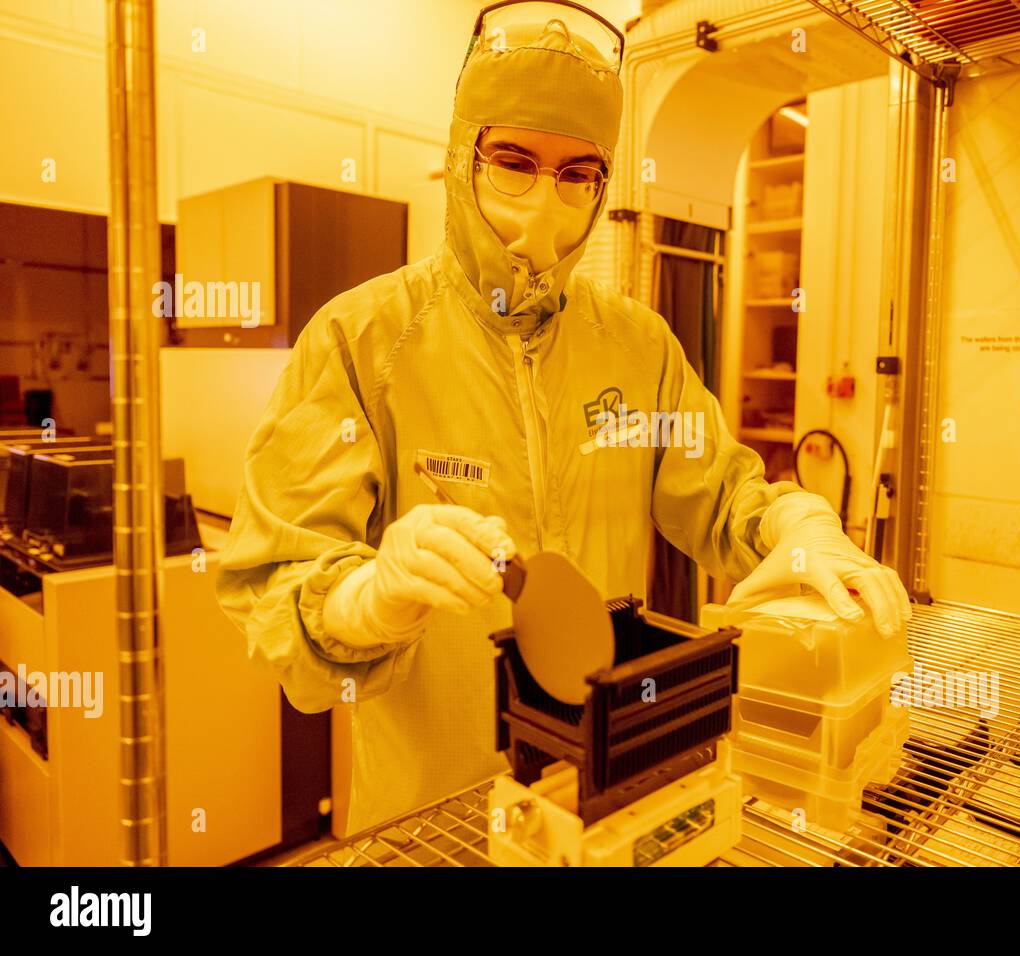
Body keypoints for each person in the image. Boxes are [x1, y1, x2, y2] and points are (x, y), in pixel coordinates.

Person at [215, 0, 911, 832]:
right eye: (513, 160)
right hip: (432, 819)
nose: (545, 198)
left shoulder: (637, 347)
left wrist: (799, 524)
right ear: (462, 156)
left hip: (608, 803)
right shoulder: (362, 341)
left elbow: (726, 496)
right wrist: (370, 599)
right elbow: (280, 596)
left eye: (578, 174)